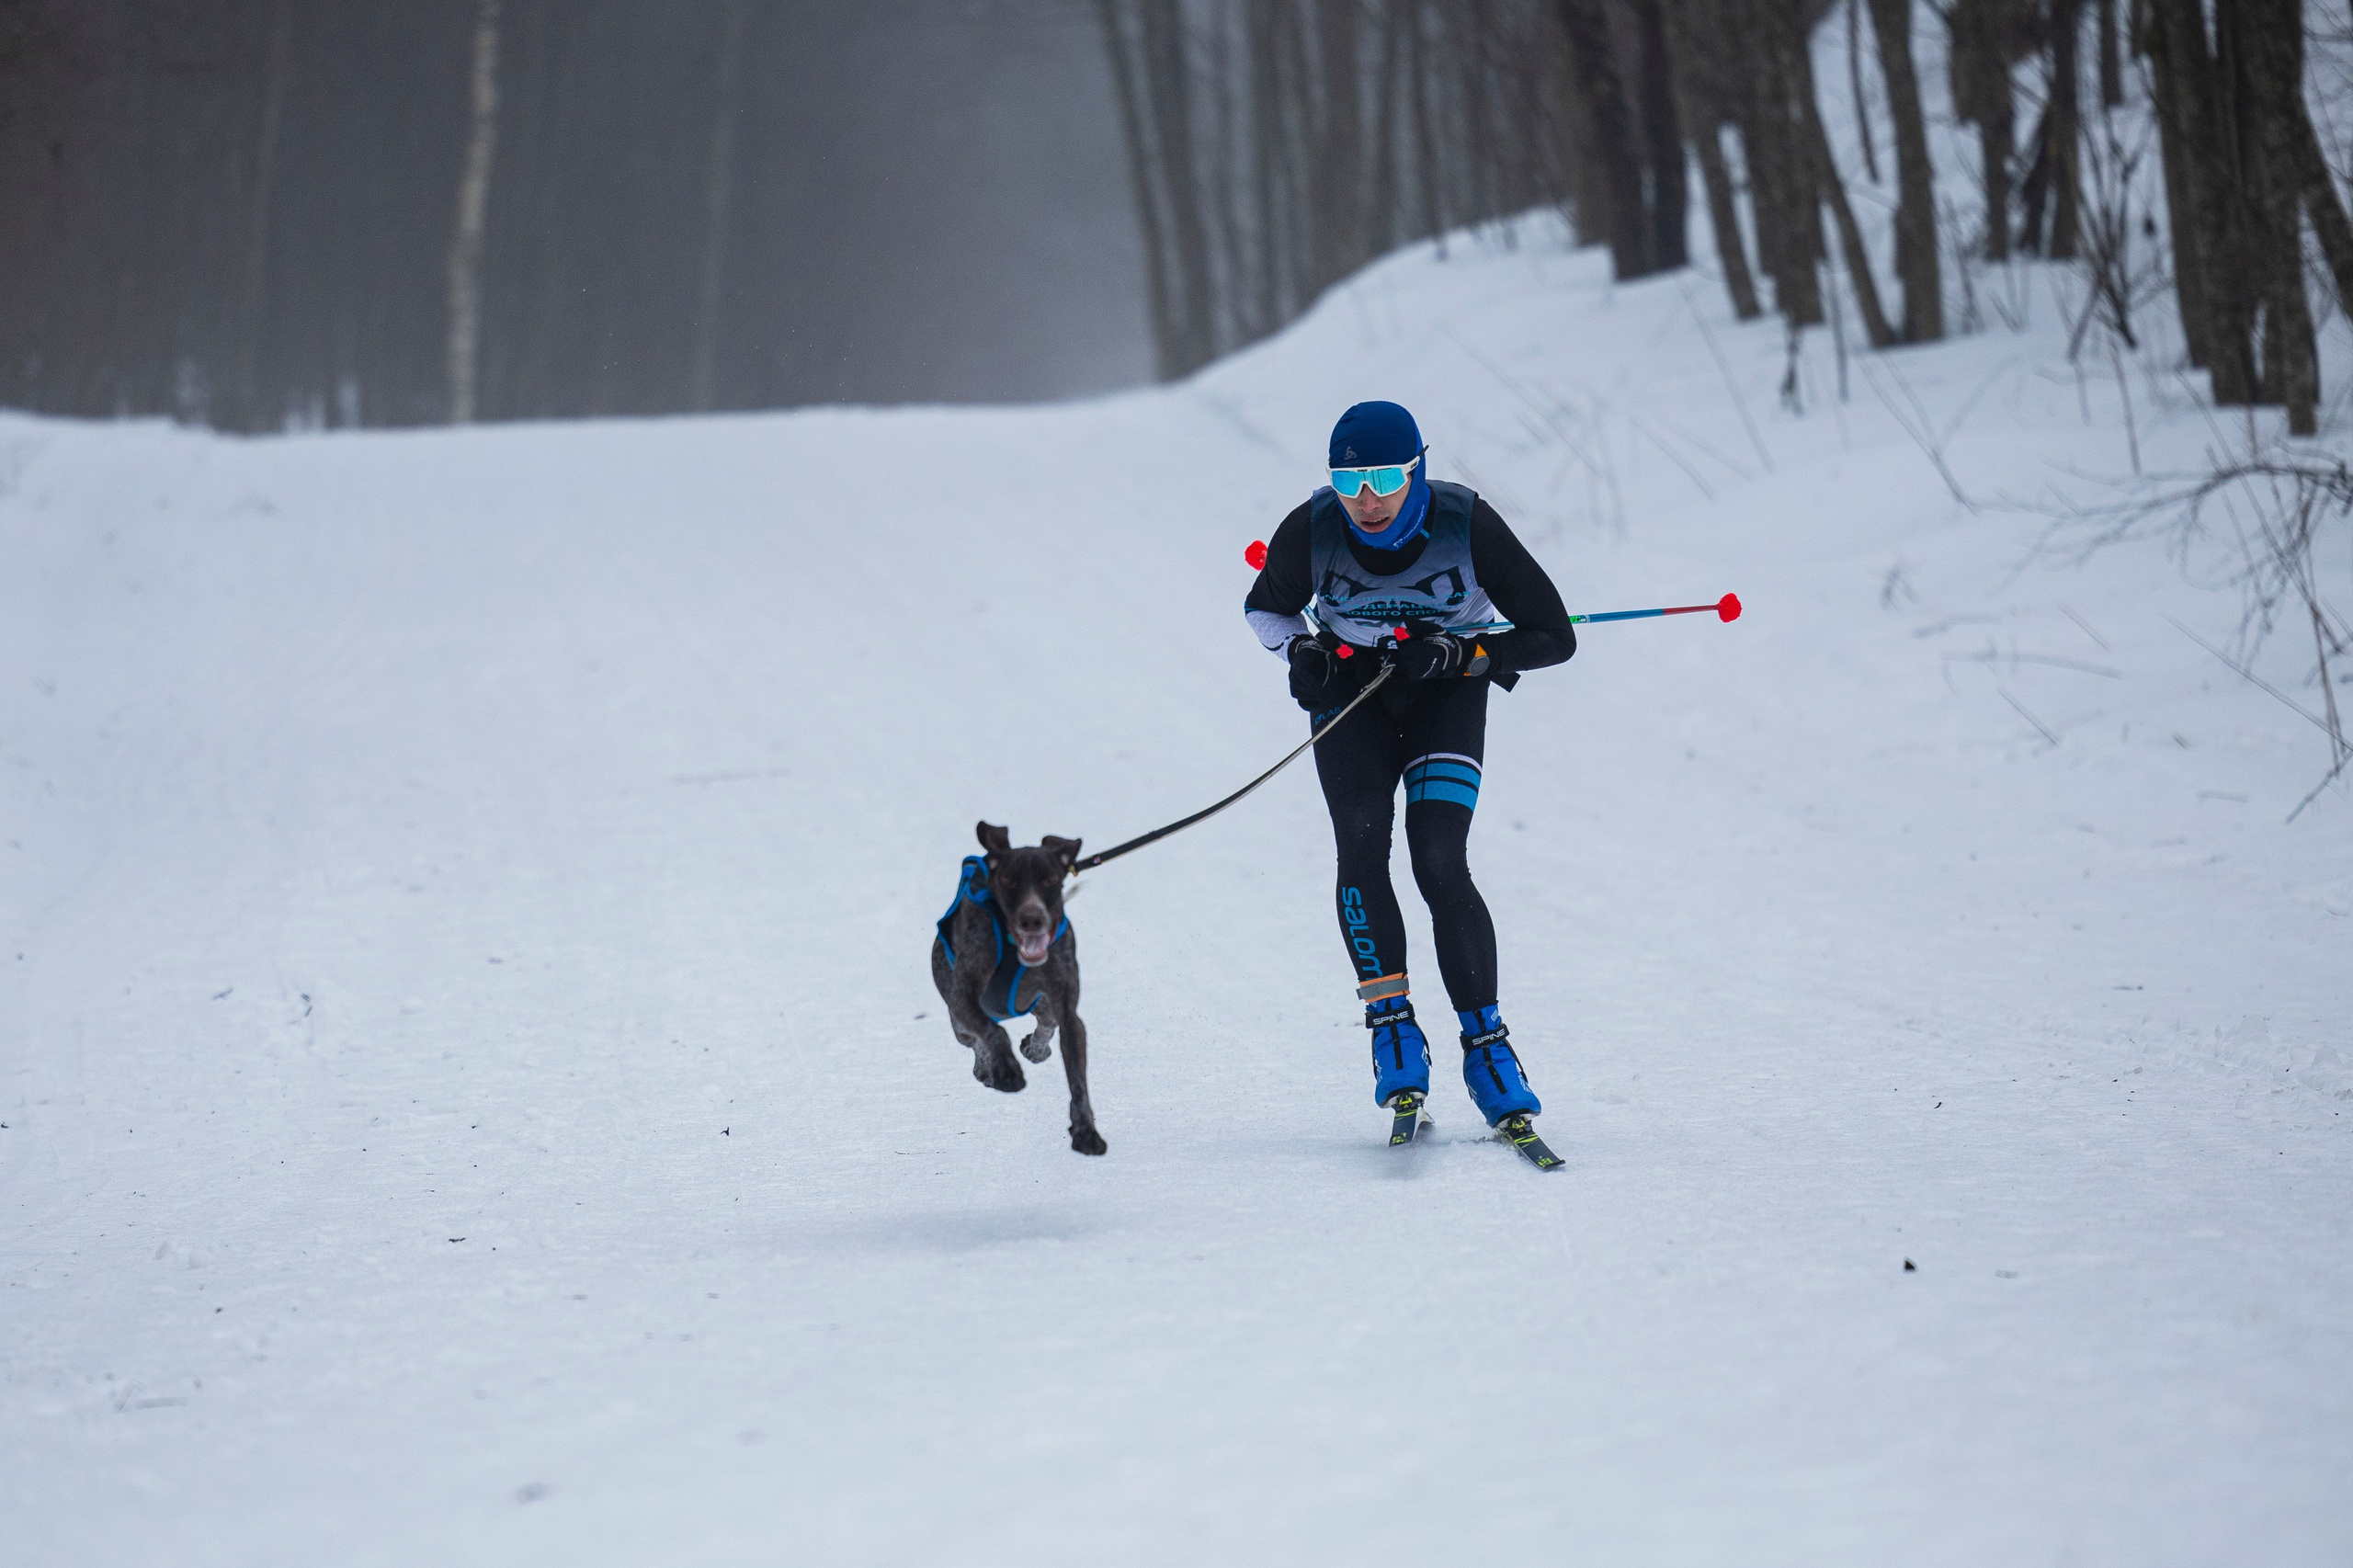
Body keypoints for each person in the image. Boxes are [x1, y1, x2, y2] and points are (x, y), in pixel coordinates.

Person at [1244, 400, 1575, 1139]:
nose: (1366, 498)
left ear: (1417, 469)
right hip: (1351, 697)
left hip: (1443, 700)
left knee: (1437, 858)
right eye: (1349, 478)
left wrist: (1468, 653)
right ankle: (1391, 1026)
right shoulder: (1314, 524)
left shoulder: (1466, 523)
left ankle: (1487, 1046)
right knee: (1361, 845)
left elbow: (1554, 636)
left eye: (1386, 477)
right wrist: (1300, 652)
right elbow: (1266, 610)